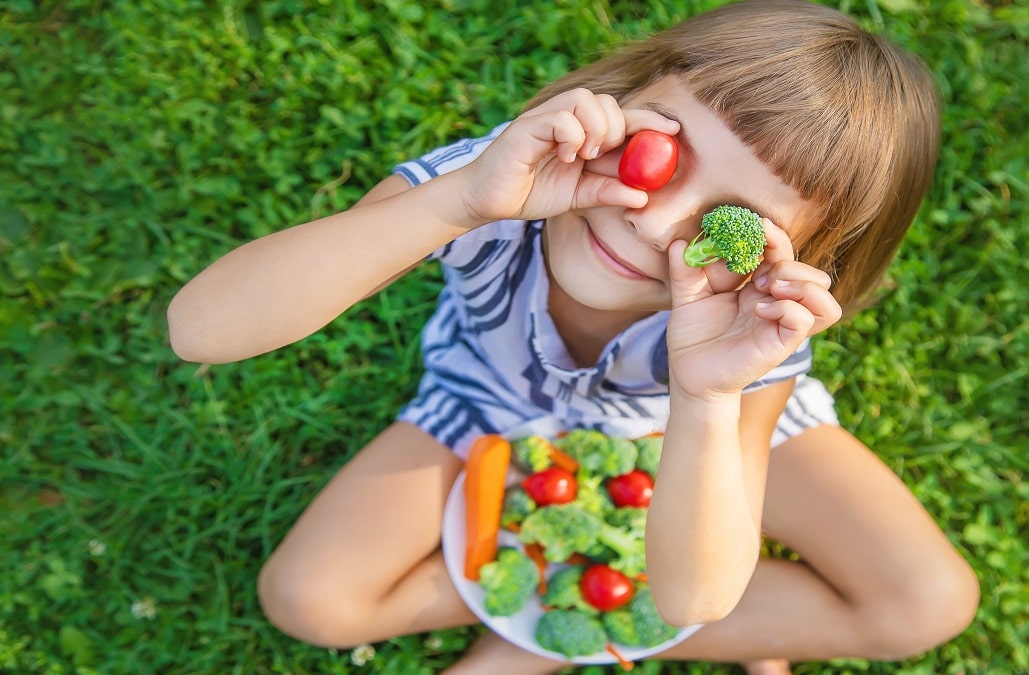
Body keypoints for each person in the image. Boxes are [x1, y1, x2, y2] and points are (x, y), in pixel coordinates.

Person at [167, 0, 979, 672]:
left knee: (927, 599)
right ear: (621, 93)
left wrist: (706, 392)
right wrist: (452, 207)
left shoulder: (749, 326)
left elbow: (692, 596)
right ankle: (559, 596)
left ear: (789, 262)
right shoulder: (495, 181)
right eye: (658, 151)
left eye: (730, 224)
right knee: (309, 597)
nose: (651, 219)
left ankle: (541, 631)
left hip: (687, 425)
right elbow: (198, 327)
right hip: (489, 396)